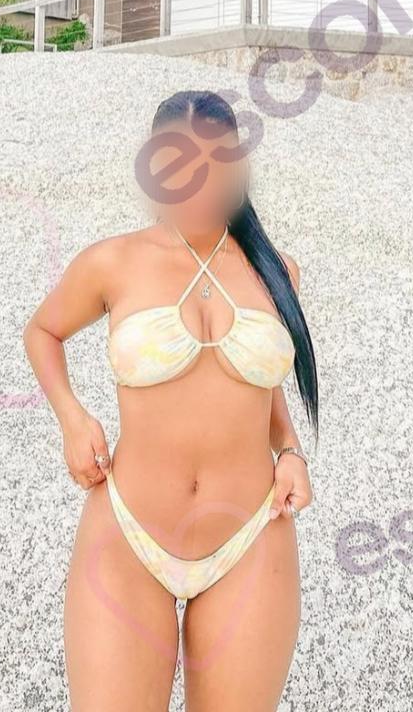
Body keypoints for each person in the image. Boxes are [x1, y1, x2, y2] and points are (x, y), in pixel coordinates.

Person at [24, 89, 319, 711]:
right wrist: (72, 418)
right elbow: (43, 331)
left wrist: (291, 450)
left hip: (250, 533)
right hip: (128, 533)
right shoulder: (114, 262)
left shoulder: (276, 271)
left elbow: (260, 382)